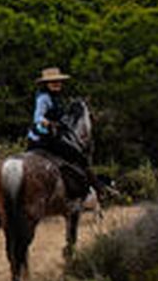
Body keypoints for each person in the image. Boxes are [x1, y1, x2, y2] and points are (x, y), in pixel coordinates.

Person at [26, 67, 108, 196]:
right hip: (43, 138)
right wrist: (48, 123)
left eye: (58, 81)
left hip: (49, 136)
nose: (57, 84)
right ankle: (95, 188)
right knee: (78, 156)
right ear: (46, 84)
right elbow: (38, 117)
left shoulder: (57, 98)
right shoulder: (44, 98)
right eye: (53, 82)